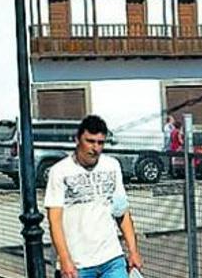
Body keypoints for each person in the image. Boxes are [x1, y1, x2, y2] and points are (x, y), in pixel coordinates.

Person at [45, 115, 143, 278]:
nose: (95, 148)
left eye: (100, 143)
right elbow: (54, 221)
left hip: (112, 259)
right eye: (90, 141)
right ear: (78, 139)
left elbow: (122, 212)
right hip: (78, 264)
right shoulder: (60, 171)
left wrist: (133, 251)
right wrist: (65, 259)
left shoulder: (112, 166)